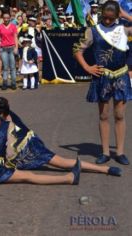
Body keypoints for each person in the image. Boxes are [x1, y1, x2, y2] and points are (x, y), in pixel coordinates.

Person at [74, 1, 132, 165]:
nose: (107, 21)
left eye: (111, 18)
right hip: (102, 76)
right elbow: (77, 50)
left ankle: (120, 152)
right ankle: (105, 152)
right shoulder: (93, 30)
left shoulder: (124, 28)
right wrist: (87, 67)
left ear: (116, 16)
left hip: (121, 75)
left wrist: (125, 14)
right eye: (105, 18)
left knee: (120, 115)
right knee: (104, 115)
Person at [0, 11, 18, 90]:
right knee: (5, 67)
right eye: (4, 18)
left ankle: (13, 83)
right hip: (3, 49)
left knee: (12, 67)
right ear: (3, 18)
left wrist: (16, 48)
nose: (6, 19)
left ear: (10, 18)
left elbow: (15, 37)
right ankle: (5, 83)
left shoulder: (13, 26)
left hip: (12, 48)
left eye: (7, 18)